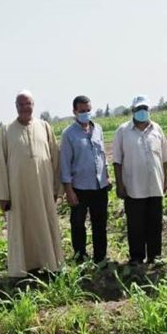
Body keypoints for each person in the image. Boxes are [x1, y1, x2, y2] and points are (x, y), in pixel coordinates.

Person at [0, 90, 64, 277]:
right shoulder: (6, 130)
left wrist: (56, 188)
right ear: (16, 106)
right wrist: (3, 195)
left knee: (45, 224)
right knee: (21, 227)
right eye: (21, 104)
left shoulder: (44, 127)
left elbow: (55, 158)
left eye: (28, 104)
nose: (25, 108)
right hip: (18, 192)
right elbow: (0, 163)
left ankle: (50, 264)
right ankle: (23, 269)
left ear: (33, 105)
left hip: (43, 189)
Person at [112, 95, 167, 265]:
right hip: (134, 187)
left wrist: (166, 181)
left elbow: (164, 158)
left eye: (145, 108)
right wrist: (120, 184)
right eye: (139, 109)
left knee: (155, 223)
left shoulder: (157, 129)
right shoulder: (123, 131)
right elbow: (117, 161)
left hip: (155, 186)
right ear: (133, 111)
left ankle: (154, 256)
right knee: (135, 224)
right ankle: (137, 257)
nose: (142, 111)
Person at [59, 95, 111, 264]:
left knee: (100, 223)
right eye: (82, 111)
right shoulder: (68, 134)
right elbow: (65, 163)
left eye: (88, 110)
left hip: (99, 186)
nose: (86, 114)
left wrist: (107, 175)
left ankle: (100, 257)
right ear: (74, 112)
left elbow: (102, 155)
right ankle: (80, 257)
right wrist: (69, 191)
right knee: (78, 224)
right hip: (79, 188)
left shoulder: (98, 129)